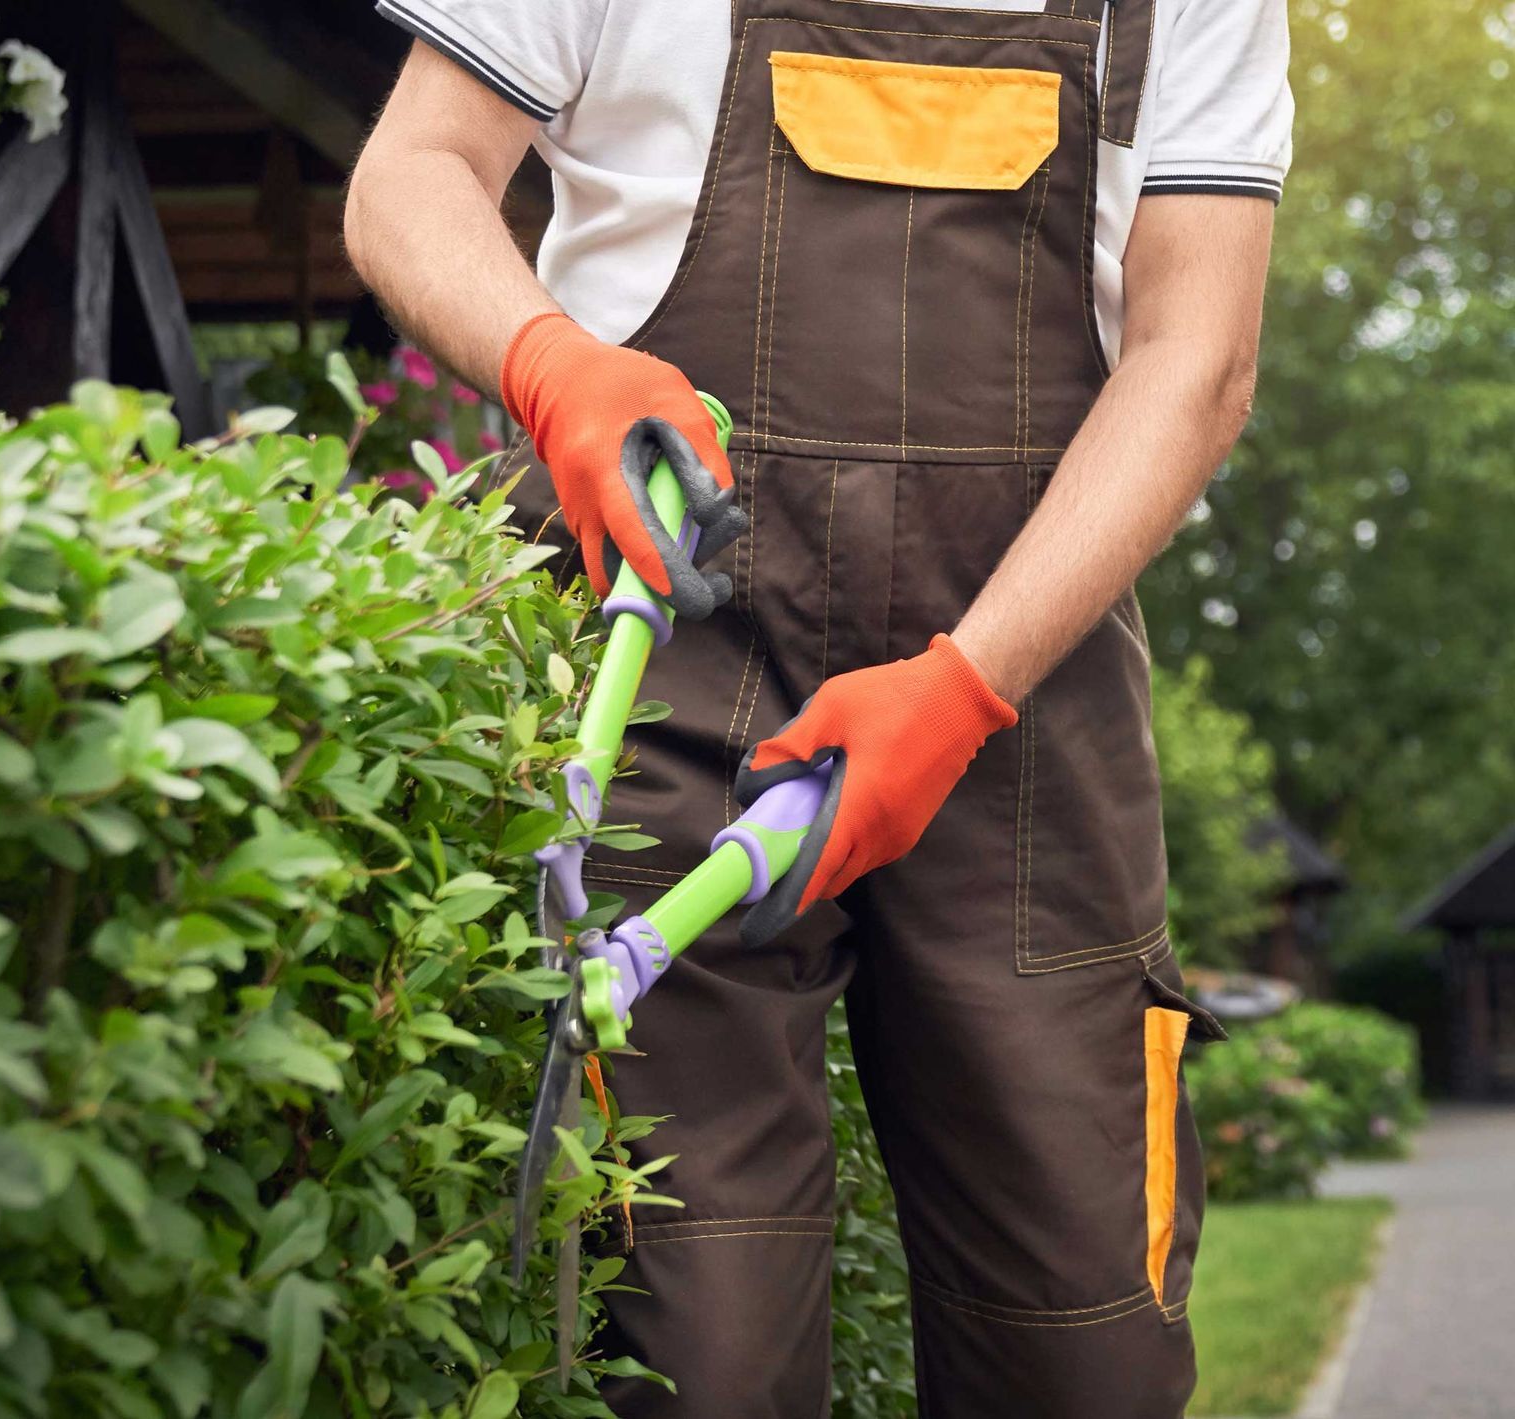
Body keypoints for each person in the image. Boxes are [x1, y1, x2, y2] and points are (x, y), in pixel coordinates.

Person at [345, 0, 1292, 1413]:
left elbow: (1197, 355)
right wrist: (555, 365)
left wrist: (967, 686)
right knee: (689, 1346)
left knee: (1082, 1350)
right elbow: (410, 169)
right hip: (668, 672)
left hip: (1026, 700)